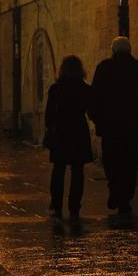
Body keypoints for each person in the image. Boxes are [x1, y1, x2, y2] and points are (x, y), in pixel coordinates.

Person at [91, 35, 138, 214]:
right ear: (130, 50)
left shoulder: (104, 68)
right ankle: (125, 198)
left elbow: (95, 96)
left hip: (109, 125)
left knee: (111, 160)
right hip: (132, 124)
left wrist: (96, 118)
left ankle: (115, 190)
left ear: (113, 50)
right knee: (130, 161)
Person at [44, 55, 93, 219]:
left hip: (61, 132)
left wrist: (50, 128)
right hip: (78, 131)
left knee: (58, 169)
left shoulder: (56, 88)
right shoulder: (85, 88)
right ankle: (74, 206)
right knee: (78, 170)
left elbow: (49, 114)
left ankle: (56, 205)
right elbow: (91, 111)